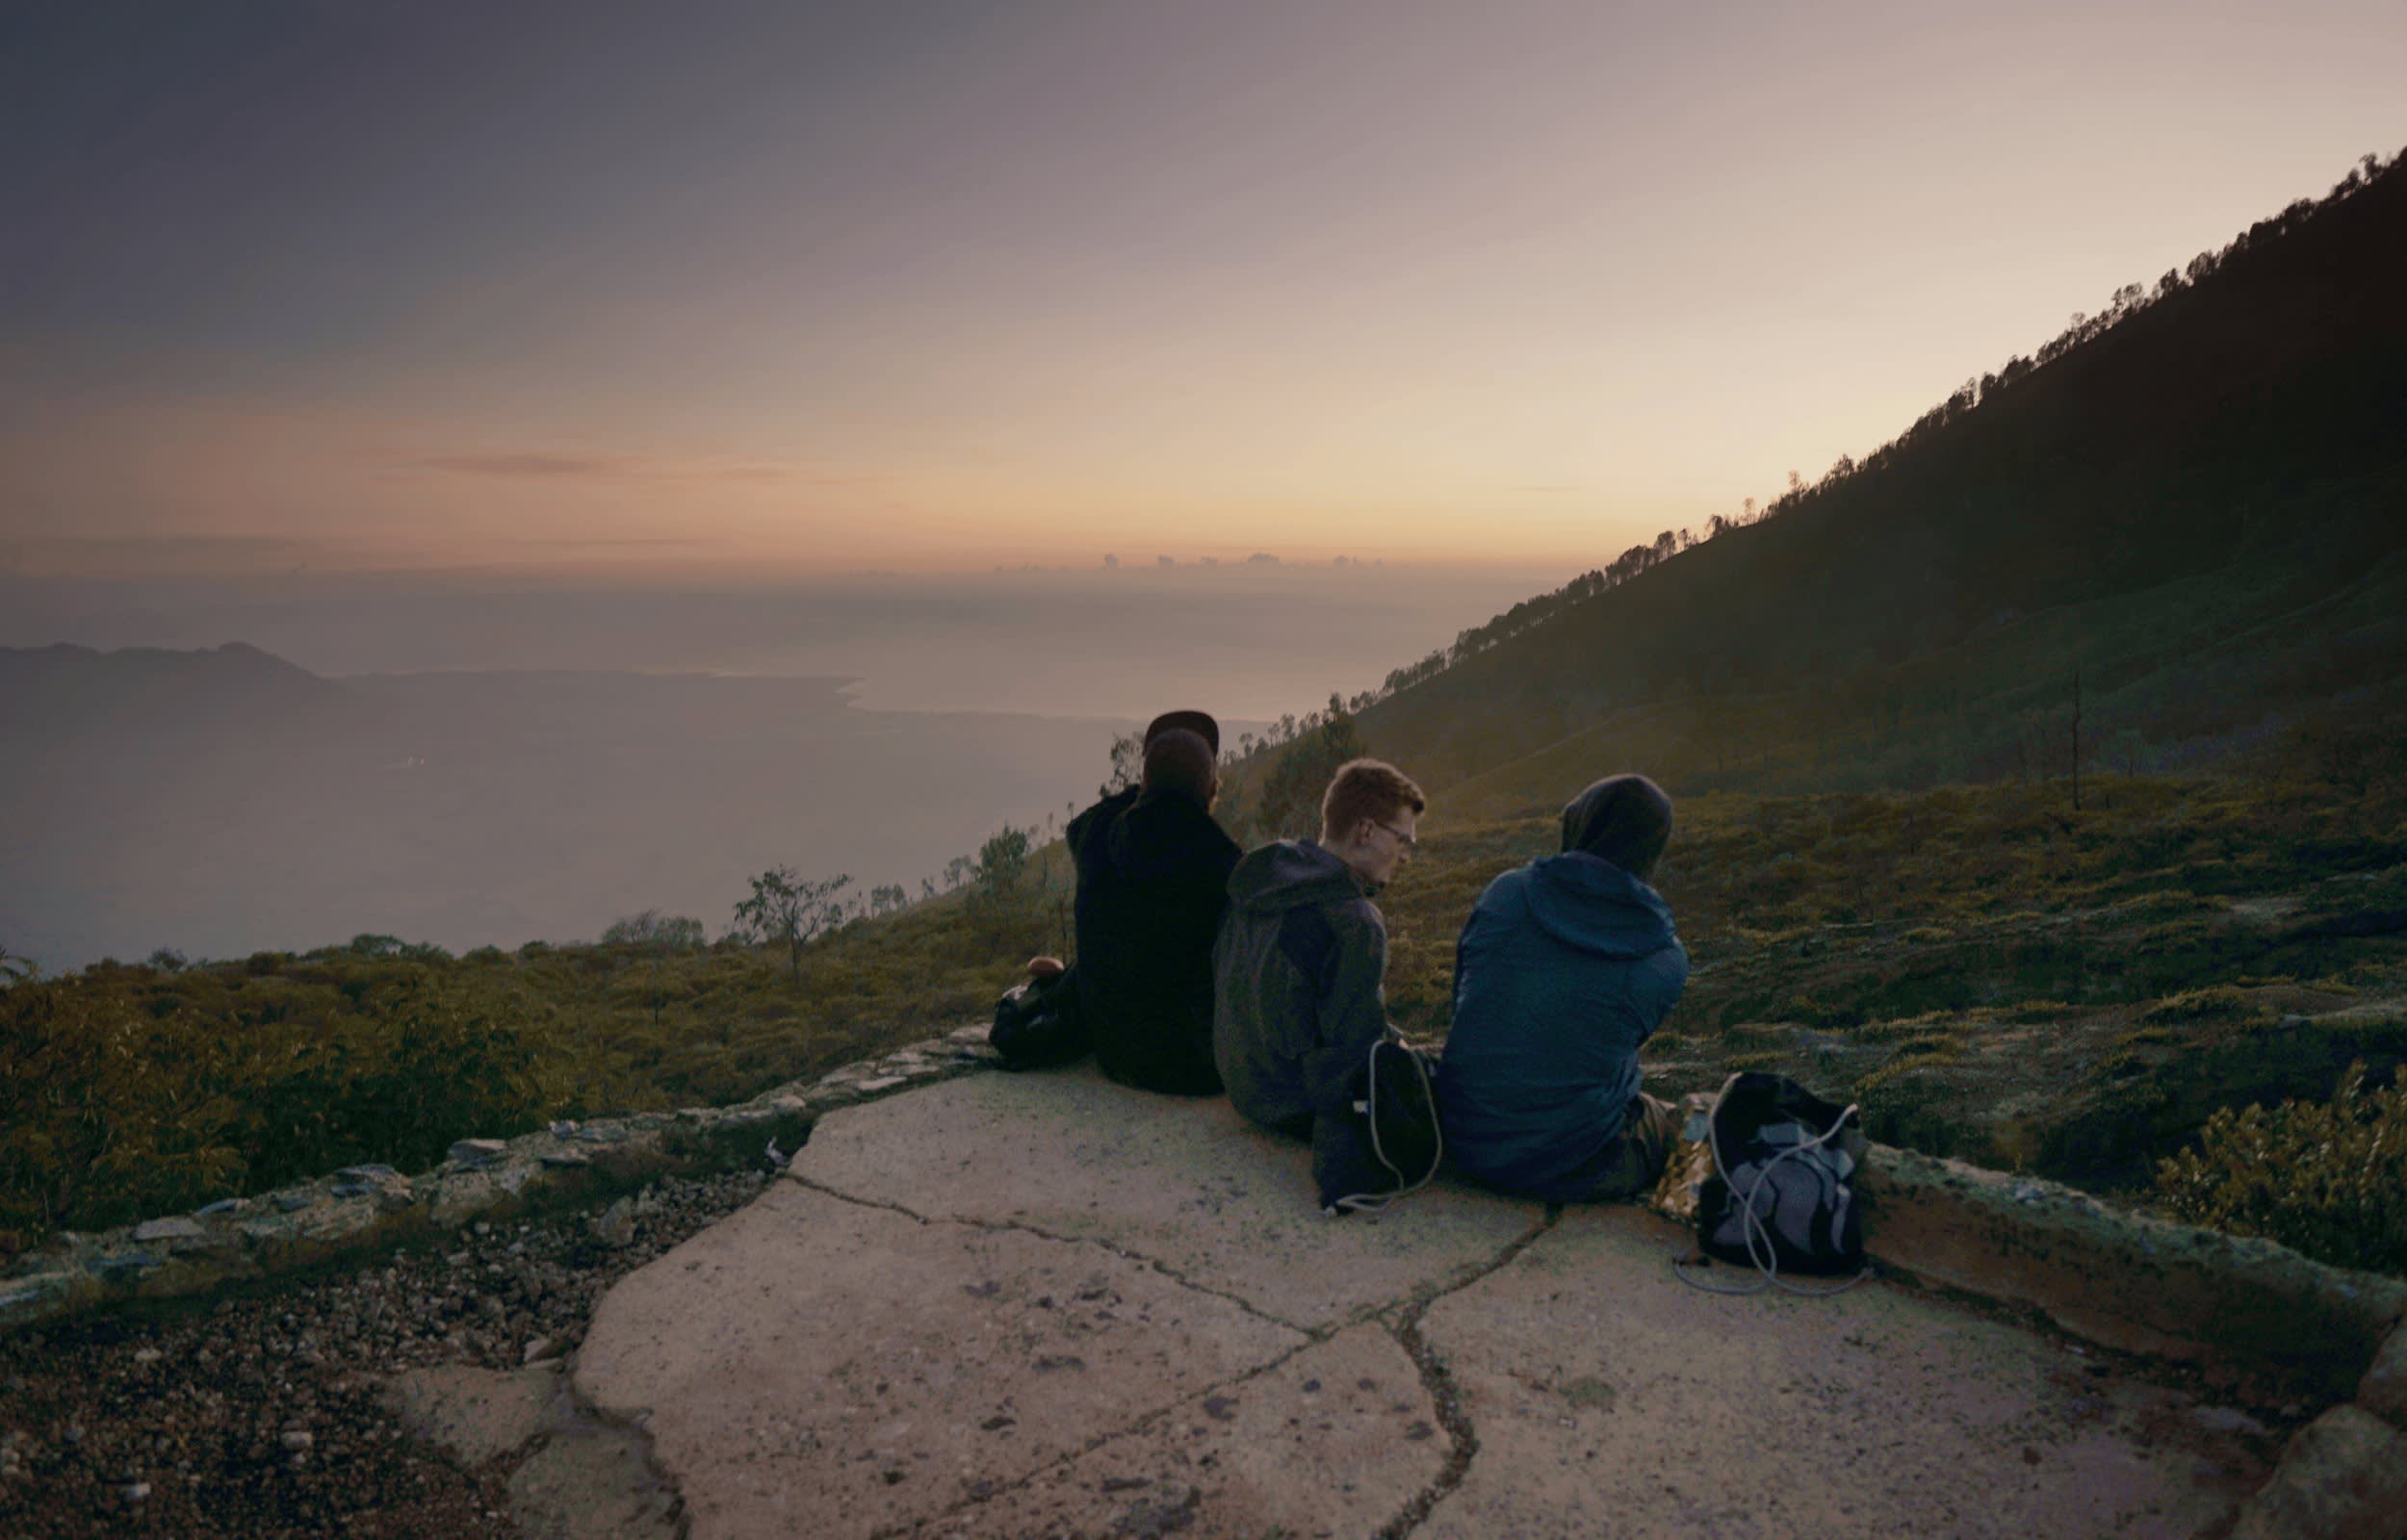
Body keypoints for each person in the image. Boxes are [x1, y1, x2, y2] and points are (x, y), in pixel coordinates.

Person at [1436, 773, 1688, 1203]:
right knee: (1677, 1121)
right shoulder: (1665, 957)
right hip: (1574, 1167)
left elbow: (1464, 1000)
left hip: (1463, 1138)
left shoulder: (1506, 893)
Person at [1214, 757, 1425, 1205]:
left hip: (1243, 1085)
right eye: (1403, 839)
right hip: (1293, 1105)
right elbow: (1351, 1053)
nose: (1407, 855)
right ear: (1366, 831)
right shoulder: (1354, 921)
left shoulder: (1264, 878)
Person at [1065, 722, 1241, 1093]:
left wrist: (1146, 790)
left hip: (1112, 1052)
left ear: (1143, 782)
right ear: (1211, 789)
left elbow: (1076, 828)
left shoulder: (1096, 831)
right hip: (1192, 1067)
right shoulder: (1220, 859)